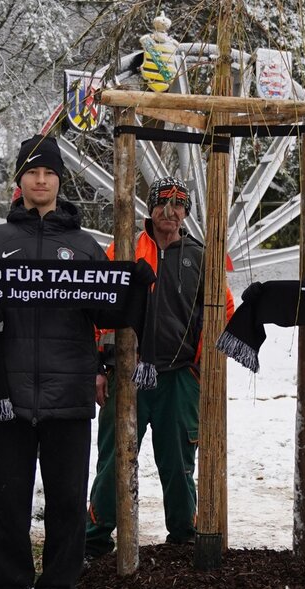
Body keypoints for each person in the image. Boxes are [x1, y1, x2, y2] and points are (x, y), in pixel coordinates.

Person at [0, 135, 109, 589]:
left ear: (59, 180)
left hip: (68, 391)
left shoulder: (84, 246)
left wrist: (129, 290)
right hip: (6, 393)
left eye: (48, 173)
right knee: (7, 498)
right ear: (19, 181)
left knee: (67, 499)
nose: (40, 180)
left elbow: (105, 314)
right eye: (31, 172)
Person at [84, 176, 233, 559]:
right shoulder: (124, 247)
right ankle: (97, 537)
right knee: (114, 458)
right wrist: (99, 366)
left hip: (179, 376)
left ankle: (184, 535)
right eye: (163, 202)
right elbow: (97, 310)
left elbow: (224, 310)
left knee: (180, 460)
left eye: (179, 204)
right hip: (126, 374)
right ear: (149, 207)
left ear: (186, 210)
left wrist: (200, 365)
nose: (170, 211)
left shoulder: (199, 256)